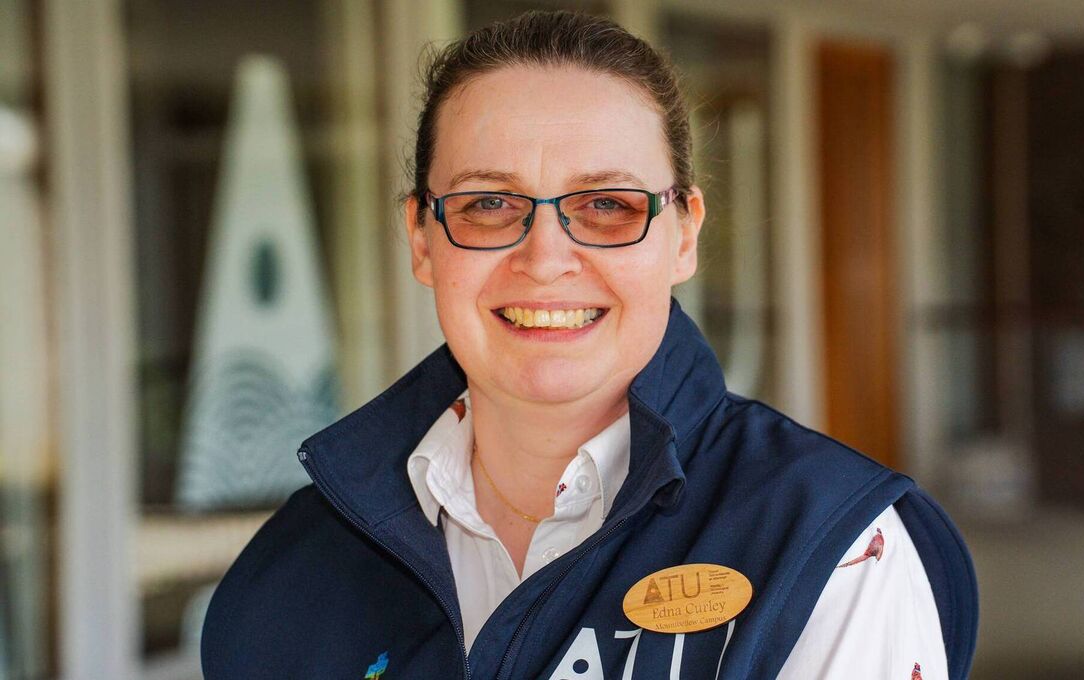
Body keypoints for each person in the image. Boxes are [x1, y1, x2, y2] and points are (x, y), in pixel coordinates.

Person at [202, 10, 977, 679]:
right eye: (488, 204)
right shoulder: (295, 570)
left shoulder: (829, 549)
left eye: (607, 204)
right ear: (422, 239)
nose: (544, 259)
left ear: (683, 235)